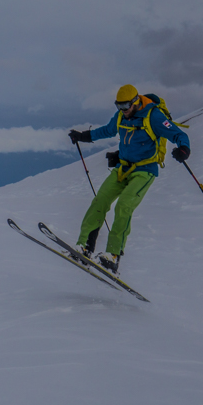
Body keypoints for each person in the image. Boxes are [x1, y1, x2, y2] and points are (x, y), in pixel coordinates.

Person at [68, 84, 190, 275]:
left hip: (145, 171)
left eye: (125, 107)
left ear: (135, 102)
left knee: (124, 205)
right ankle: (85, 247)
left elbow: (178, 134)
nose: (122, 111)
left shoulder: (154, 116)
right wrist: (83, 136)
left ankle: (113, 256)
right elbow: (107, 130)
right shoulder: (120, 116)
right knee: (100, 201)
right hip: (122, 167)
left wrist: (184, 148)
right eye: (119, 106)